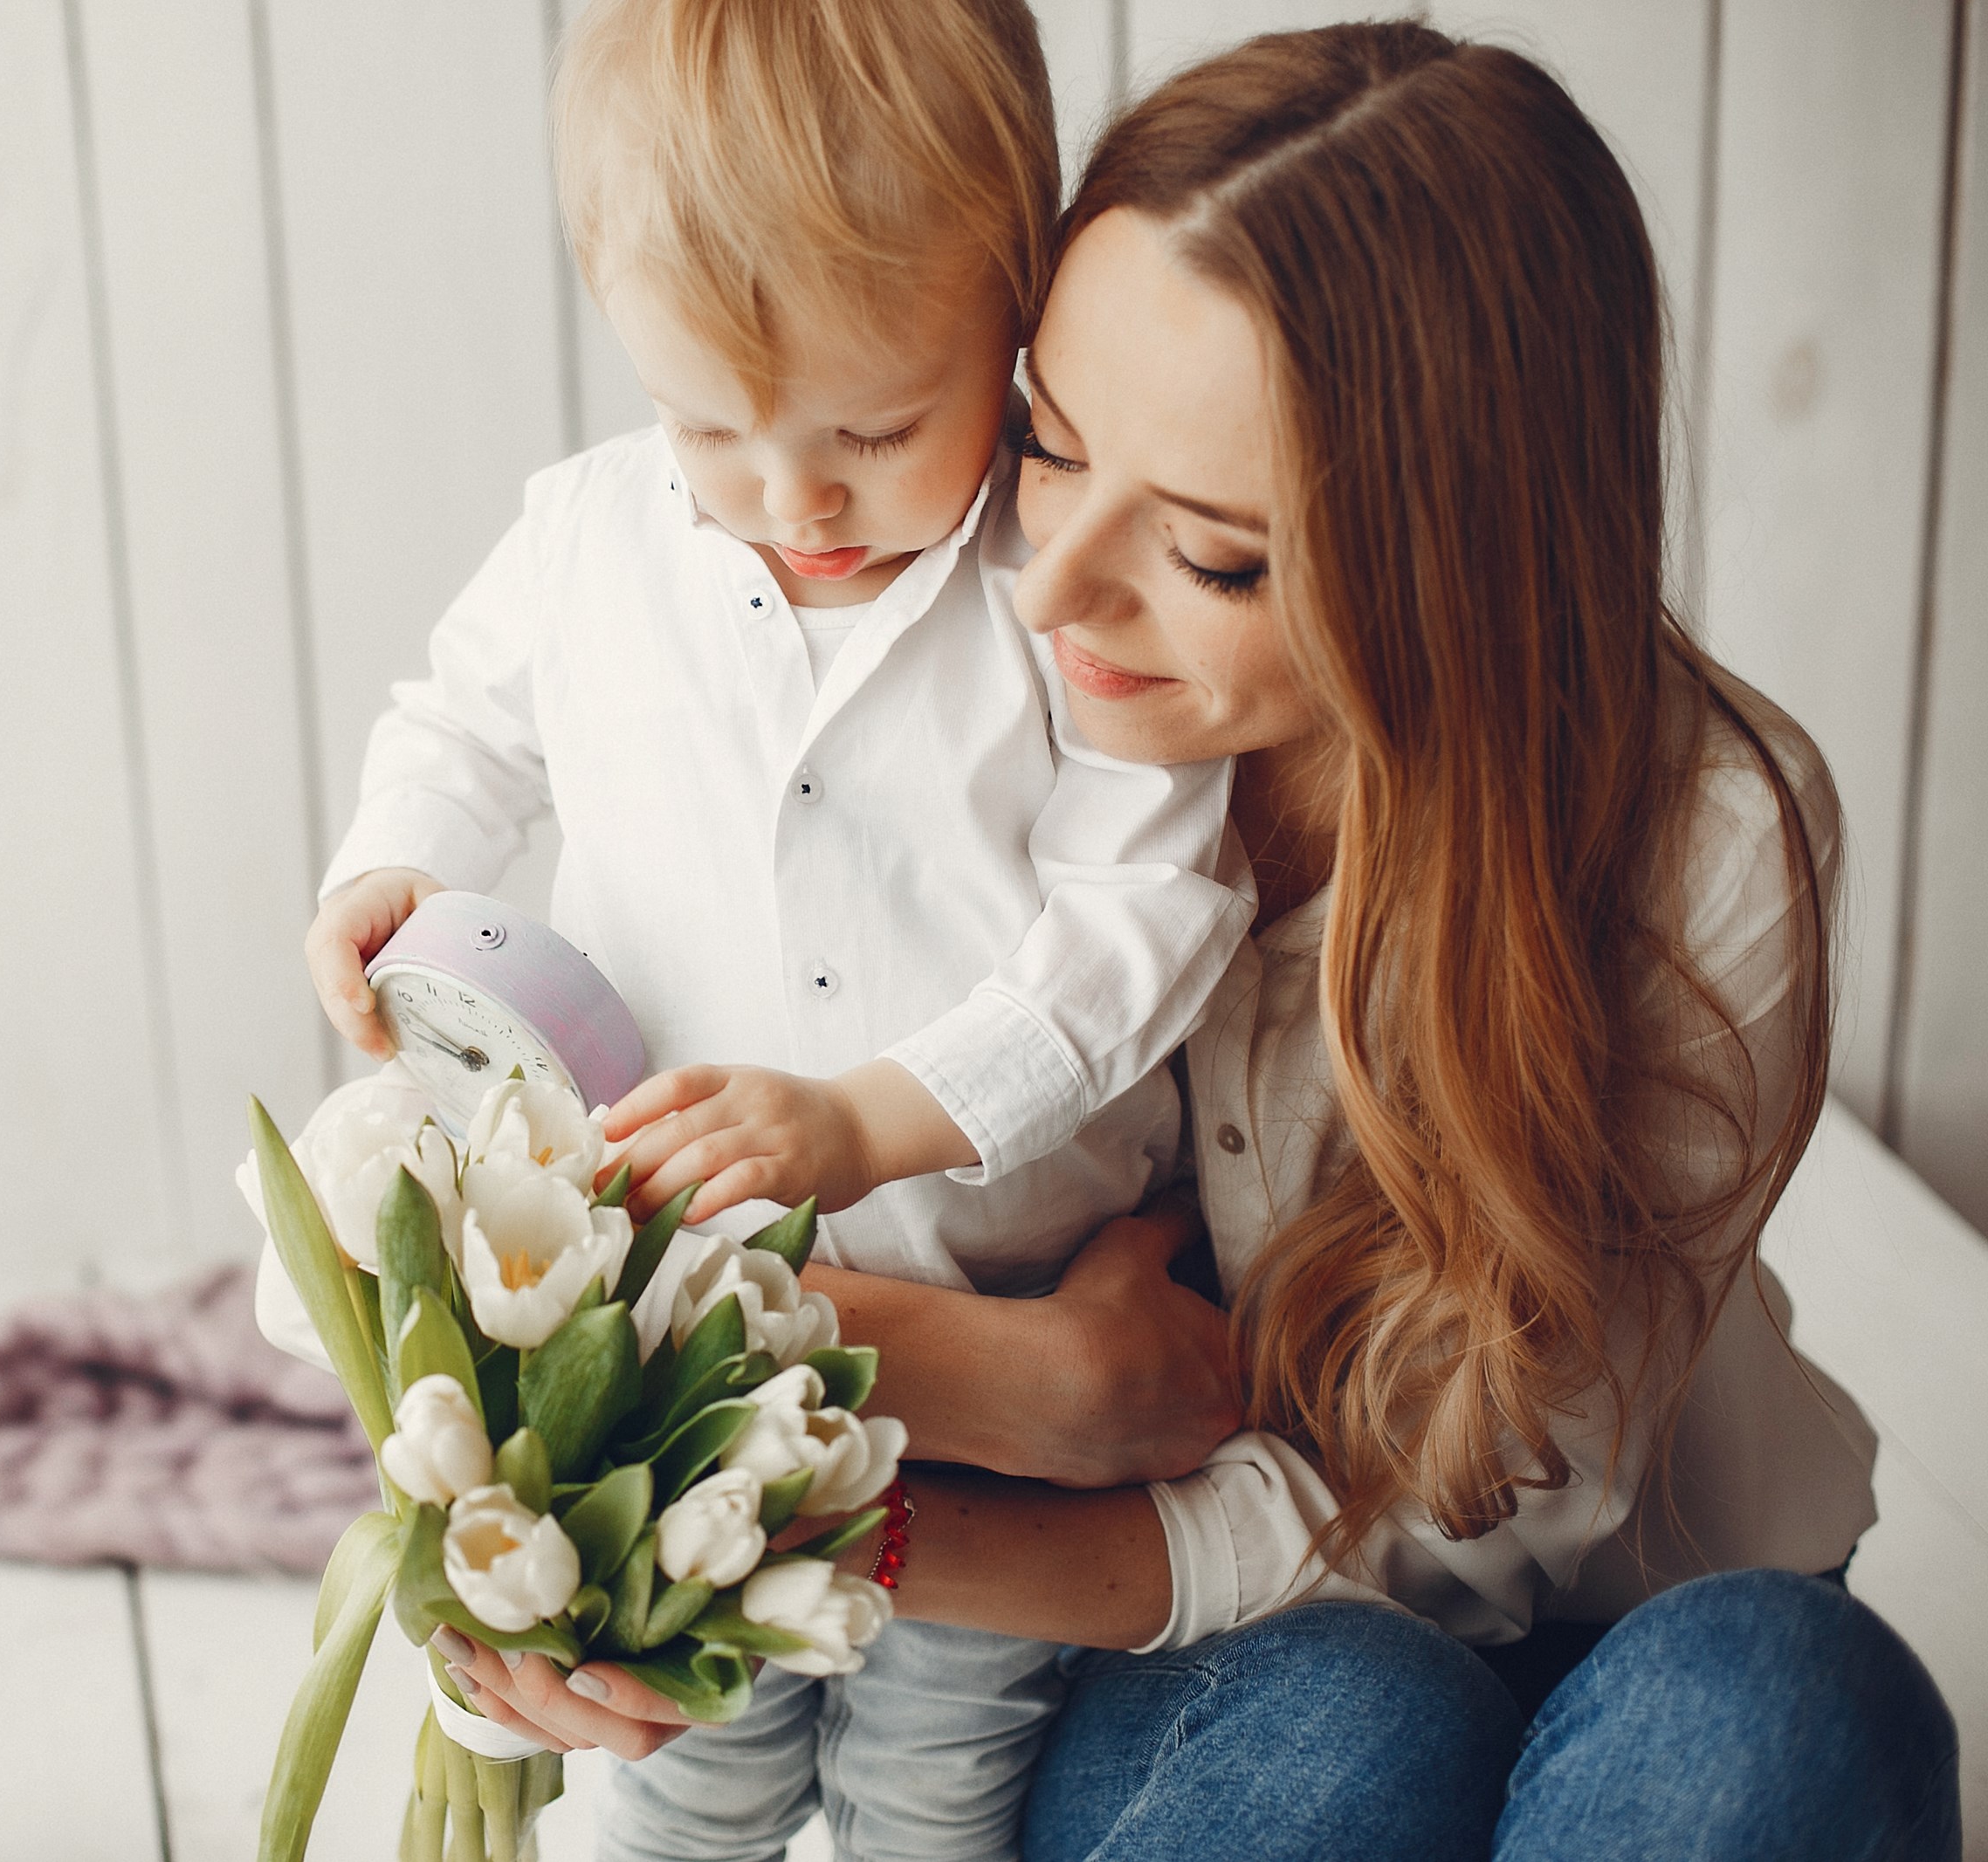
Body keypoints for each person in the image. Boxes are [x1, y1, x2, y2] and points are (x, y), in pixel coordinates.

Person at [449, 23, 1963, 1859]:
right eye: (1042, 443)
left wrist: (932, 1414)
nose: (1049, 587)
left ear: (1455, 562)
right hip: (1201, 1645)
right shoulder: (929, 683)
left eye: (1215, 557)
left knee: (1776, 1705)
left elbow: (1487, 1500)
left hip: (1588, 1588)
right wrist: (603, 1530)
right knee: (1338, 1727)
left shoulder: (1697, 837)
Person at [291, 2, 1258, 1853]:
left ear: (1019, 303)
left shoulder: (1062, 592)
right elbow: (455, 723)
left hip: (994, 1335)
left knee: (932, 1779)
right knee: (679, 1760)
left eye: (874, 426)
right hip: (676, 1342)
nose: (792, 493)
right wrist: (388, 869)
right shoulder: (589, 542)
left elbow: (1139, 922)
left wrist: (873, 1115)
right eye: (704, 426)